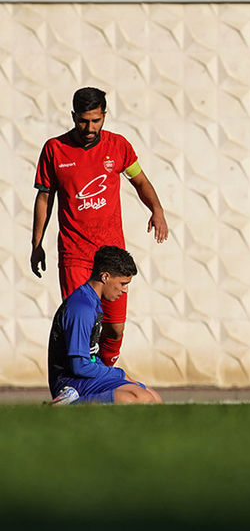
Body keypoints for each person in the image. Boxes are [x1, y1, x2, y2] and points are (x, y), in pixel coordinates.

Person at [31, 86, 169, 367]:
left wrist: (157, 209)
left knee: (114, 328)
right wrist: (36, 245)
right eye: (83, 120)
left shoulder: (118, 147)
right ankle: (76, 382)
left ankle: (103, 375)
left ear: (104, 115)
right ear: (73, 116)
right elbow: (44, 197)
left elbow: (140, 181)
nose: (90, 127)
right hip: (75, 252)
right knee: (80, 321)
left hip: (111, 254)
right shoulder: (55, 150)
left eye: (96, 120)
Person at [47, 246, 162, 405]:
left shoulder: (93, 302)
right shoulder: (82, 308)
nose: (125, 290)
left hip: (86, 377)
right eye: (122, 283)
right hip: (71, 382)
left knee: (153, 396)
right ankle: (67, 404)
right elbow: (79, 366)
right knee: (140, 398)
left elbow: (92, 357)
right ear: (105, 277)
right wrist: (118, 374)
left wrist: (118, 375)